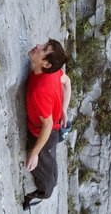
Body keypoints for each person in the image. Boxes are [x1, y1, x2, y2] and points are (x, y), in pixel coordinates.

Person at [23, 38, 71, 210]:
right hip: (52, 129)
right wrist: (63, 109)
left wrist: (34, 152)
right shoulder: (54, 73)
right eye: (44, 45)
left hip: (45, 134)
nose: (37, 45)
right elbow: (67, 82)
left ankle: (40, 194)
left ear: (47, 64)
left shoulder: (40, 90)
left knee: (45, 177)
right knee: (50, 165)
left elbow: (47, 125)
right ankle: (52, 179)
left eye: (43, 49)